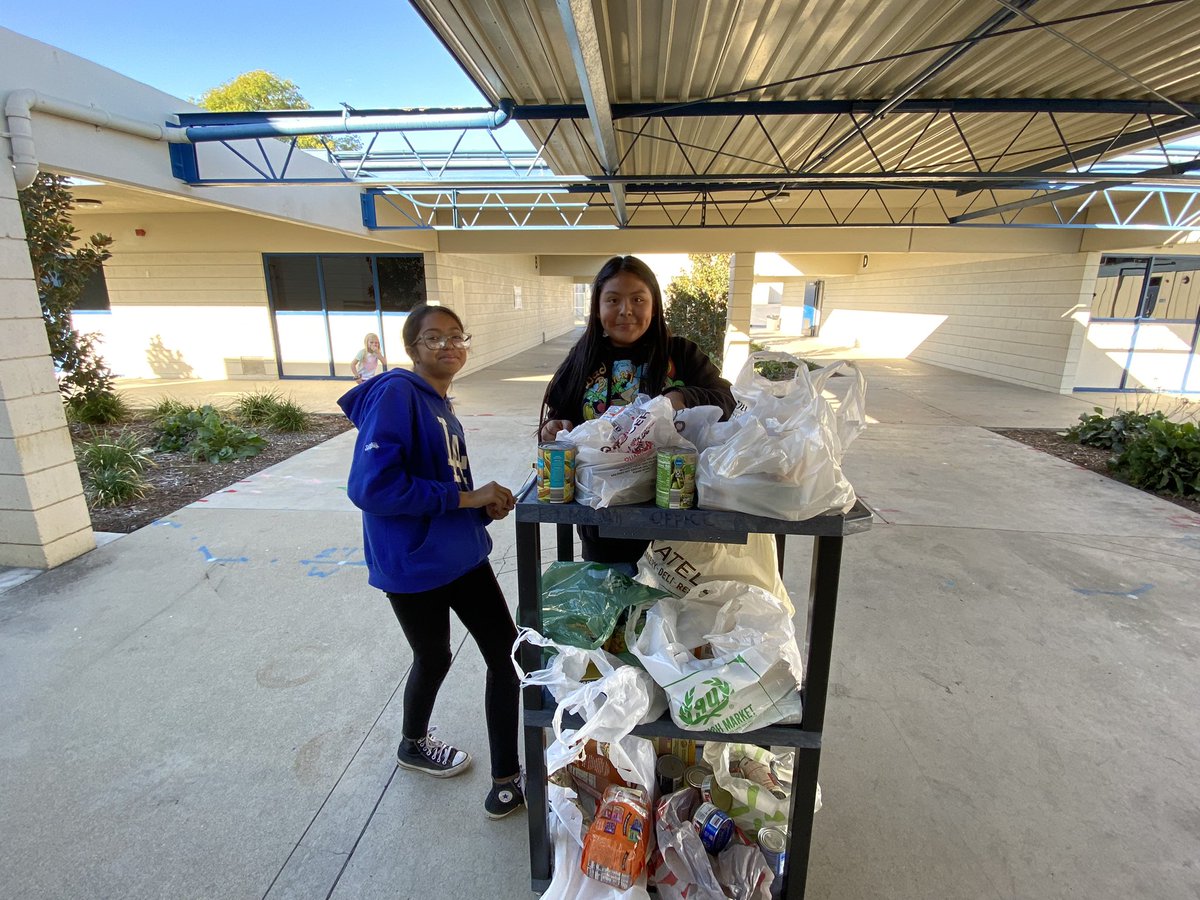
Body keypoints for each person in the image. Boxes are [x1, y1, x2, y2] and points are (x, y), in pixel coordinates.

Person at [338, 304, 523, 819]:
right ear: (412, 349)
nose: (447, 345)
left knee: (505, 655)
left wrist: (479, 508)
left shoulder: (442, 406)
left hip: (459, 554)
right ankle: (413, 743)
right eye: (433, 337)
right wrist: (466, 498)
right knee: (435, 656)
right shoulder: (397, 393)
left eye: (456, 336)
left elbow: (442, 491)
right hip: (412, 566)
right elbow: (372, 487)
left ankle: (507, 778)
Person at [539, 255, 736, 566]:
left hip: (677, 520)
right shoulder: (583, 358)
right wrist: (555, 427)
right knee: (613, 609)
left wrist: (683, 396)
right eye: (613, 299)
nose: (625, 310)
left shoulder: (682, 354)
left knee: (670, 612)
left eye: (638, 299)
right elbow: (558, 422)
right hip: (603, 523)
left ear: (654, 304)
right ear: (598, 307)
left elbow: (728, 402)